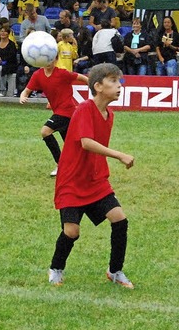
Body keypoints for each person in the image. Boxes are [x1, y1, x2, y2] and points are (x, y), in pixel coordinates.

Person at [47, 63, 135, 289]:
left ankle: (115, 271)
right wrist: (119, 155)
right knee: (72, 232)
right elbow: (86, 143)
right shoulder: (84, 108)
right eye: (113, 81)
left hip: (95, 181)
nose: (119, 86)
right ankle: (56, 267)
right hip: (72, 181)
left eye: (119, 81)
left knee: (120, 219)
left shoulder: (109, 114)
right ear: (97, 86)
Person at [19, 56, 89, 177]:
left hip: (67, 111)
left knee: (45, 131)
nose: (48, 62)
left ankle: (61, 165)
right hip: (61, 112)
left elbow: (83, 78)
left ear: (56, 60)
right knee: (73, 146)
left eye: (51, 59)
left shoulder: (62, 73)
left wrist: (96, 87)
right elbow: (26, 90)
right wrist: (23, 96)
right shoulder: (37, 75)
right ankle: (82, 167)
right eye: (45, 59)